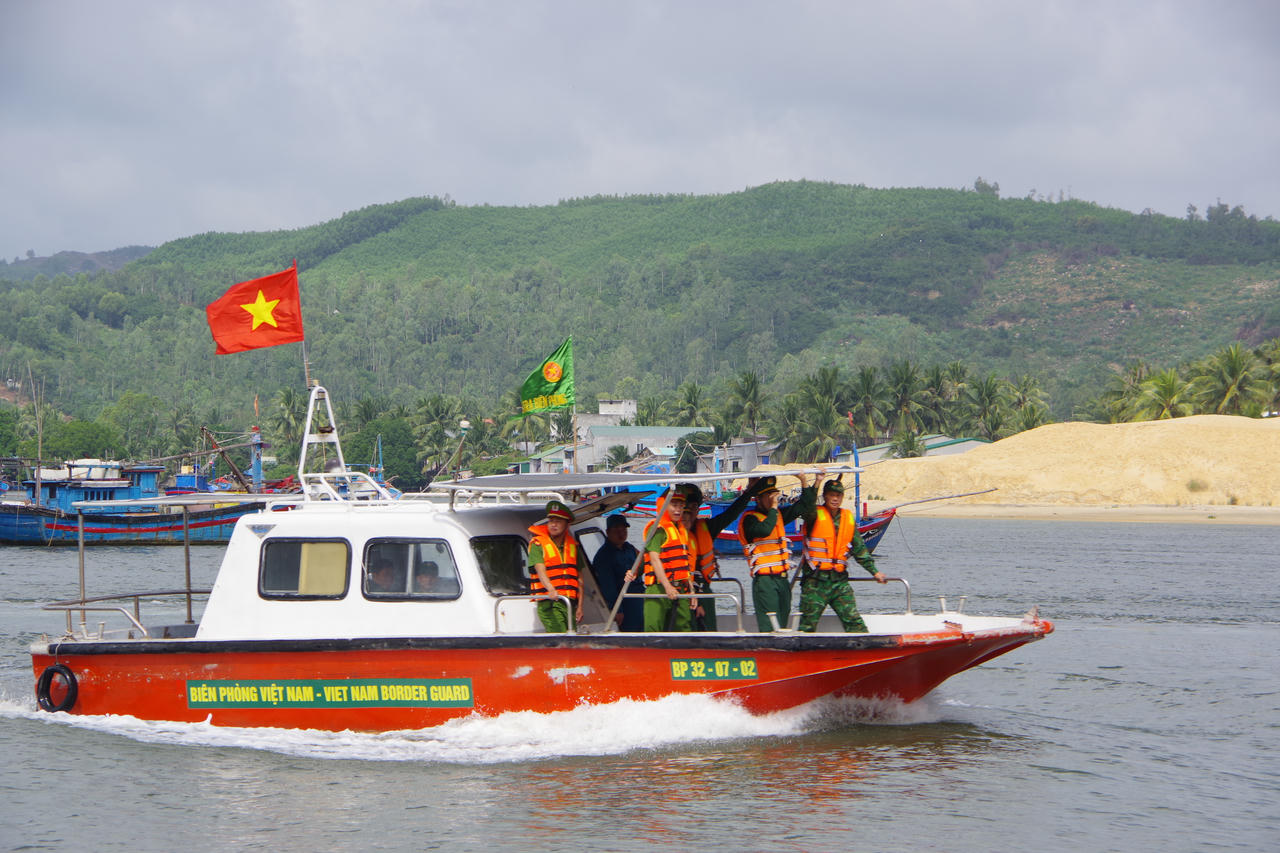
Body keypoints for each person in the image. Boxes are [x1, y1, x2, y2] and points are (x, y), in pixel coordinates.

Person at [797, 477, 886, 632]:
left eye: (838, 495)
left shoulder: (847, 518)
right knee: (807, 625)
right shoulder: (814, 515)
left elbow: (860, 550)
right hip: (815, 582)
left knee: (854, 622)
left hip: (839, 582)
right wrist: (814, 482)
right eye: (831, 495)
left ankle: (862, 645)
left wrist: (875, 572)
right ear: (825, 496)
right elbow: (807, 505)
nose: (835, 499)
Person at [737, 474, 815, 631]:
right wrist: (773, 507)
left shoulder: (777, 515)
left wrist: (805, 481)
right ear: (758, 499)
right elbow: (764, 530)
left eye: (774, 495)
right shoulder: (750, 520)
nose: (773, 499)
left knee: (783, 622)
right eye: (768, 496)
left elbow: (804, 505)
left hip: (782, 579)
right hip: (765, 581)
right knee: (770, 625)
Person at [682, 482, 762, 631]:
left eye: (694, 506)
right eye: (686, 506)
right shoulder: (668, 534)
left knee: (708, 632)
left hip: (703, 591)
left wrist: (749, 493)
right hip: (681, 592)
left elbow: (731, 513)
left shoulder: (707, 528)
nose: (690, 511)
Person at [636, 486, 695, 631]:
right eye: (674, 505)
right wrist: (667, 587)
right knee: (653, 628)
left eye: (681, 506)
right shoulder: (658, 529)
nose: (678, 510)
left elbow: (684, 564)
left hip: (680, 588)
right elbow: (654, 559)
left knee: (684, 628)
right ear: (664, 505)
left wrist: (691, 590)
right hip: (658, 588)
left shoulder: (681, 530)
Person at [527, 499, 587, 632]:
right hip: (550, 602)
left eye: (558, 521)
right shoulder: (538, 544)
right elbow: (540, 570)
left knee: (571, 635)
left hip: (569, 603)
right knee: (560, 633)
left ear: (567, 525)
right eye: (551, 521)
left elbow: (580, 579)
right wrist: (551, 589)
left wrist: (580, 606)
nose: (553, 524)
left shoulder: (573, 546)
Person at [590, 514, 643, 631]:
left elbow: (643, 560)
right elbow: (608, 586)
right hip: (624, 601)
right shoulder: (603, 556)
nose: (621, 533)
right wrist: (617, 610)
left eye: (624, 530)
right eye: (616, 530)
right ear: (608, 532)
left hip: (639, 596)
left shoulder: (629, 548)